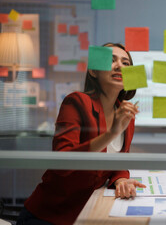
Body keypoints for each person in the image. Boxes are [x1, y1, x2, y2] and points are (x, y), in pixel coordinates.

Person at [17, 43, 146, 225]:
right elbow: (62, 162)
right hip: (51, 215)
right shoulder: (75, 101)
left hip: (89, 211)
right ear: (94, 71)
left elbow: (118, 160)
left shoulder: (125, 113)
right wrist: (112, 133)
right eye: (111, 60)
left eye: (126, 63)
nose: (119, 66)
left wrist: (121, 179)